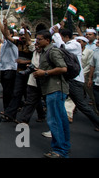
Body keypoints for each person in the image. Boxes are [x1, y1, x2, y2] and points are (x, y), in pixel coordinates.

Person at [32, 29, 70, 158]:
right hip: (51, 89)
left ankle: (59, 150)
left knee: (54, 120)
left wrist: (45, 73)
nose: (36, 41)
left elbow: (63, 68)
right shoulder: (44, 52)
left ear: (47, 40)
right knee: (61, 120)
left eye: (39, 39)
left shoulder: (52, 51)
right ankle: (64, 147)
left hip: (55, 89)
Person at [53, 27, 99, 130]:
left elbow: (61, 46)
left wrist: (56, 34)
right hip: (69, 79)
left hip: (75, 80)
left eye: (61, 37)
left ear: (66, 37)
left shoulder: (75, 44)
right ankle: (58, 125)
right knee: (57, 100)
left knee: (82, 106)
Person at [0, 18, 18, 113]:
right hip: (4, 69)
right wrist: (0, 22)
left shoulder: (12, 42)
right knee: (7, 90)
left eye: (7, 32)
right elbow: (3, 33)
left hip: (10, 69)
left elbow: (5, 33)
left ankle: (8, 111)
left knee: (8, 92)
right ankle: (10, 108)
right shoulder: (5, 42)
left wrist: (4, 25)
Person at [76, 36, 97, 115]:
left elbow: (89, 65)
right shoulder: (73, 51)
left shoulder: (90, 52)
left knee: (92, 95)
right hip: (75, 76)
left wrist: (82, 74)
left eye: (80, 42)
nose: (78, 43)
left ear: (85, 43)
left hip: (85, 76)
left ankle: (96, 112)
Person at [88, 46, 99, 116]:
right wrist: (90, 78)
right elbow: (92, 65)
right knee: (97, 102)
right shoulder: (96, 51)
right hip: (97, 81)